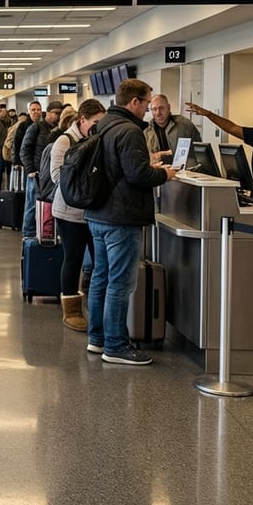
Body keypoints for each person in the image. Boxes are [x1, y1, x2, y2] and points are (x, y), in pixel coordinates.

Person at [84, 79, 177, 365]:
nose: (149, 110)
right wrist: (164, 175)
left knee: (100, 277)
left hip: (98, 213)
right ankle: (116, 345)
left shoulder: (104, 125)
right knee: (120, 283)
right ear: (134, 102)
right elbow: (137, 175)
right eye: (147, 104)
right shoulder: (130, 130)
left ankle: (97, 338)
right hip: (121, 216)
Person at [49, 99, 107, 331]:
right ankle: (71, 309)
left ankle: (97, 306)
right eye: (95, 122)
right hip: (69, 212)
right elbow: (56, 176)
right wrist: (85, 180)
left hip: (95, 212)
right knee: (73, 258)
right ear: (82, 120)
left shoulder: (99, 141)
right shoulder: (65, 141)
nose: (98, 127)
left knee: (98, 262)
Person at [21, 101, 64, 237]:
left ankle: (44, 232)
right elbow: (25, 150)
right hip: (37, 174)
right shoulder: (36, 128)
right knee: (32, 205)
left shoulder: (59, 130)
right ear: (49, 112)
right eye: (56, 113)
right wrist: (31, 170)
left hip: (50, 175)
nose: (58, 116)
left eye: (60, 113)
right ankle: (28, 233)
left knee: (46, 206)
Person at [144, 94, 201, 164]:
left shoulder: (185, 125)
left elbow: (199, 152)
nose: (158, 113)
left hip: (184, 171)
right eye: (154, 109)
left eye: (161, 108)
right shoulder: (146, 130)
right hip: (158, 171)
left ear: (169, 107)